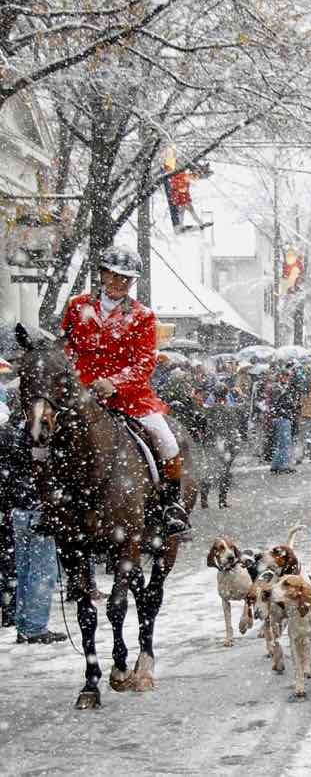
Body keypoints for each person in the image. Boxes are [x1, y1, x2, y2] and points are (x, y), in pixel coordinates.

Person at [59, 247, 190, 535]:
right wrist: (77, 380)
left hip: (130, 399)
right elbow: (66, 350)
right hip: (83, 395)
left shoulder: (142, 316)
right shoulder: (77, 306)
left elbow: (145, 362)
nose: (119, 283)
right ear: (103, 274)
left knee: (167, 441)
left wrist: (115, 383)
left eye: (126, 279)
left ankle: (170, 506)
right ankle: (49, 502)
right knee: (44, 436)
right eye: (114, 276)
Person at [0, 405, 66, 643]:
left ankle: (24, 625)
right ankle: (35, 628)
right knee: (42, 573)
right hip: (36, 512)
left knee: (25, 571)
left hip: (17, 512)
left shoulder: (8, 435)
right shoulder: (39, 440)